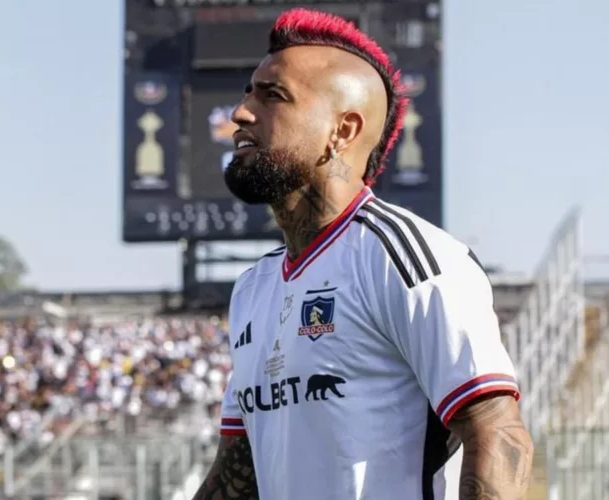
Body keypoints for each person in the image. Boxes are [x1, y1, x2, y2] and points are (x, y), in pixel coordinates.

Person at [191, 8, 532, 500]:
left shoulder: (407, 258)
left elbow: (497, 435)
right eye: (247, 92)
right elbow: (234, 477)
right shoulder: (253, 287)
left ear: (343, 131)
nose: (240, 113)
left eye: (273, 95)